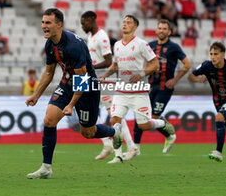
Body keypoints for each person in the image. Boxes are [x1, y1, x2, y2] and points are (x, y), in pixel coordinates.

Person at [25, 8, 122, 179]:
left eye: (48, 23)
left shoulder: (73, 45)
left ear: (59, 24)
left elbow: (82, 79)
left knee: (88, 133)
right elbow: (49, 72)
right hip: (68, 83)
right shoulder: (50, 44)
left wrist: (70, 105)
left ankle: (114, 132)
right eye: (43, 22)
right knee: (49, 120)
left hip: (87, 87)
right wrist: (36, 95)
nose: (44, 26)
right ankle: (46, 168)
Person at [102, 15, 175, 164]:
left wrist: (141, 74)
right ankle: (118, 155)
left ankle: (162, 123)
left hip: (138, 92)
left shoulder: (142, 44)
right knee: (115, 120)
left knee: (144, 125)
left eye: (128, 23)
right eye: (123, 22)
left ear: (135, 27)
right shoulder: (116, 45)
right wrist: (105, 76)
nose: (125, 24)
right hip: (121, 90)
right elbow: (115, 65)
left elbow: (155, 64)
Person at [81, 11, 137, 160]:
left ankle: (130, 147)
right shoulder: (90, 37)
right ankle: (107, 144)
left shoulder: (102, 37)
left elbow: (108, 61)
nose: (82, 26)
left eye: (84, 23)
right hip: (92, 81)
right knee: (89, 112)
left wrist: (90, 68)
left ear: (92, 20)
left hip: (105, 81)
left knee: (115, 116)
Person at [133, 19, 191, 154]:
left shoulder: (174, 47)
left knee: (153, 117)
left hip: (165, 88)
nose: (162, 31)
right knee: (140, 114)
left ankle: (169, 135)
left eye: (165, 29)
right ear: (156, 30)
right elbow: (146, 64)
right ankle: (135, 148)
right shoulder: (150, 45)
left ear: (169, 32)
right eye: (160, 28)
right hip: (149, 86)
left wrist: (175, 80)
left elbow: (187, 65)